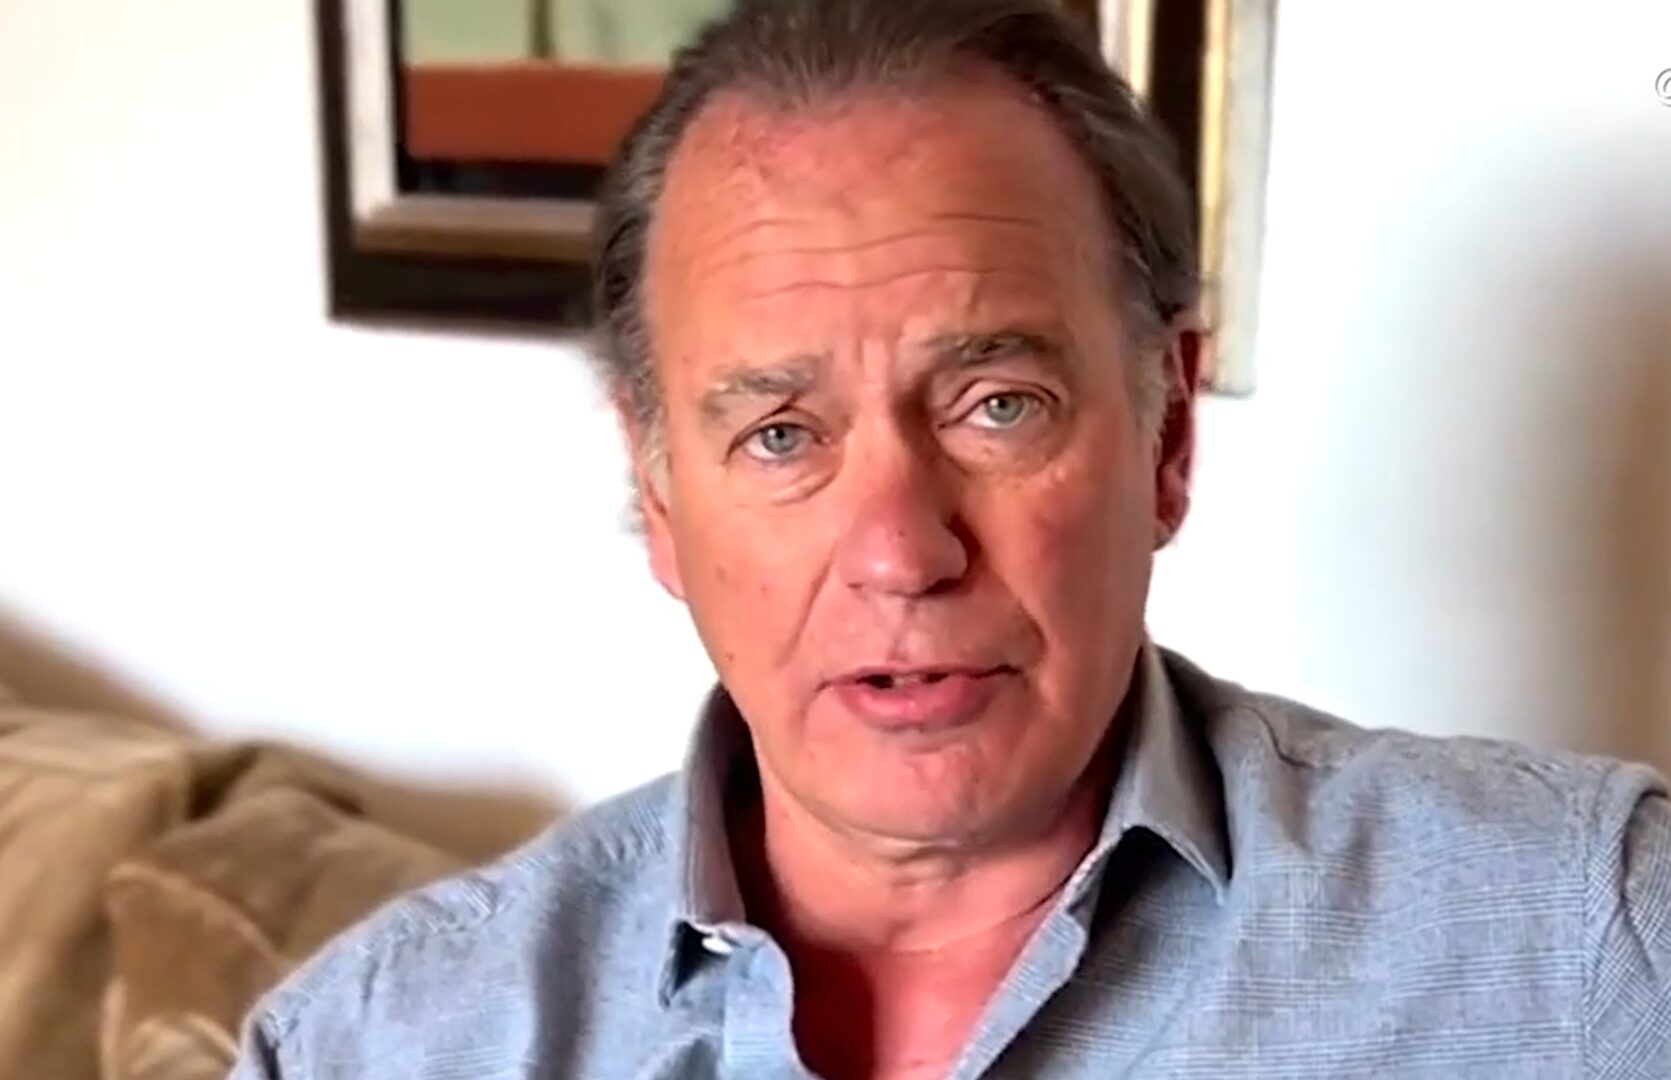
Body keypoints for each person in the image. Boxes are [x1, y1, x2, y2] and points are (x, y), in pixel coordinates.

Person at [231, 1, 1671, 1076]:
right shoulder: (372, 1047)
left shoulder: (1592, 947)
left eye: (997, 407)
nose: (900, 553)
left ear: (1167, 436)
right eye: (781, 435)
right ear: (659, 498)